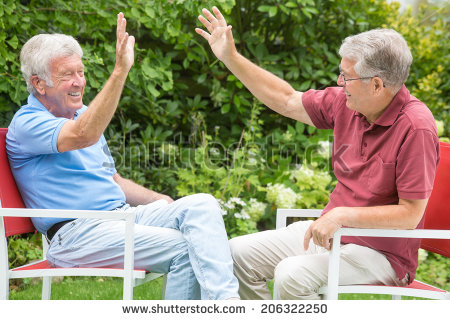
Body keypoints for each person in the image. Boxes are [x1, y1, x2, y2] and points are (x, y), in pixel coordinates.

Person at [196, 7, 440, 299]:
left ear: (377, 85)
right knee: (237, 254)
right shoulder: (346, 104)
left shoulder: (416, 127)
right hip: (331, 235)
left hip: (382, 253)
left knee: (291, 275)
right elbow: (287, 100)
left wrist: (341, 216)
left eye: (346, 77)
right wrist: (231, 57)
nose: (339, 83)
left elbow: (409, 215)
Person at [6, 12, 239, 300]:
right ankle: (225, 308)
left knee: (201, 204)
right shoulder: (29, 123)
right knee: (184, 247)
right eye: (67, 75)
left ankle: (227, 305)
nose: (79, 82)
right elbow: (84, 134)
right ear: (39, 84)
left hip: (120, 218)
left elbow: (112, 179)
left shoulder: (82, 115)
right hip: (77, 234)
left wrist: (160, 201)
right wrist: (120, 70)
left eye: (81, 72)